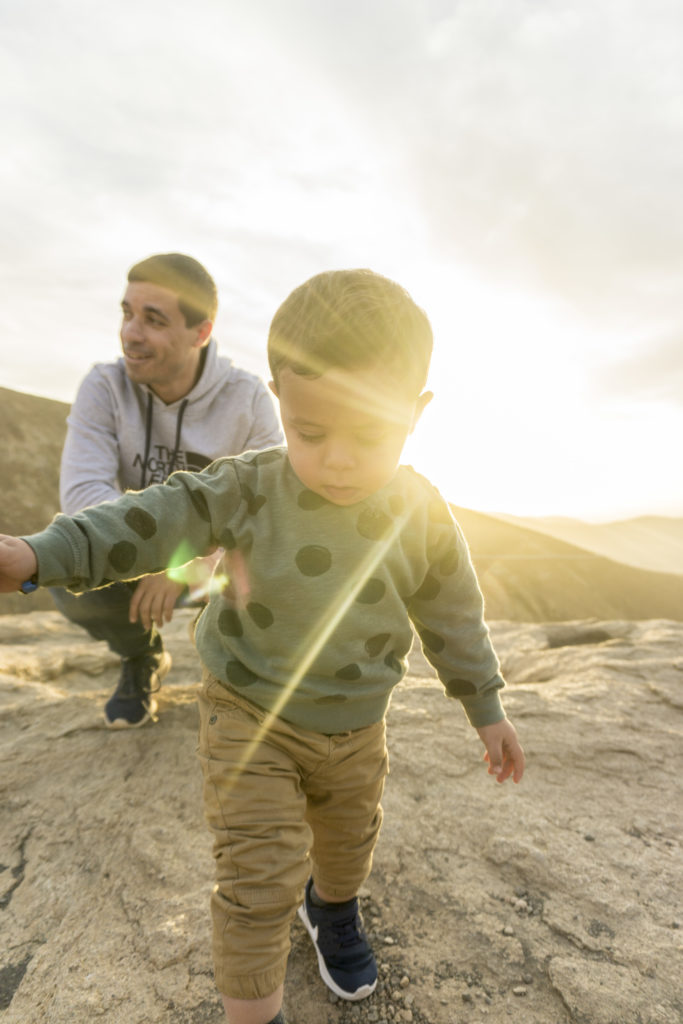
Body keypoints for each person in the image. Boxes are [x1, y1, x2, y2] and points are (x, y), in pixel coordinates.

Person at [0, 268, 525, 1024]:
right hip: (250, 715)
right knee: (256, 880)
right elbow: (141, 522)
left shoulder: (420, 513)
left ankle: (332, 910)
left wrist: (485, 705)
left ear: (416, 412)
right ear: (280, 398)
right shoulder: (246, 488)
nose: (339, 459)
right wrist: (36, 554)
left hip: (357, 727)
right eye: (311, 433)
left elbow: (451, 612)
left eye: (370, 434)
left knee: (346, 849)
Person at [50, 253, 283, 728]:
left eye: (153, 320)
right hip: (145, 560)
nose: (130, 333)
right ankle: (142, 657)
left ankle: (244, 673)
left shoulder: (249, 399)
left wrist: (190, 564)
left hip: (216, 564)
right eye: (127, 313)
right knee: (71, 570)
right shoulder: (104, 387)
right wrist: (161, 558)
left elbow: (268, 510)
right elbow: (83, 495)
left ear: (201, 333)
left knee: (279, 566)